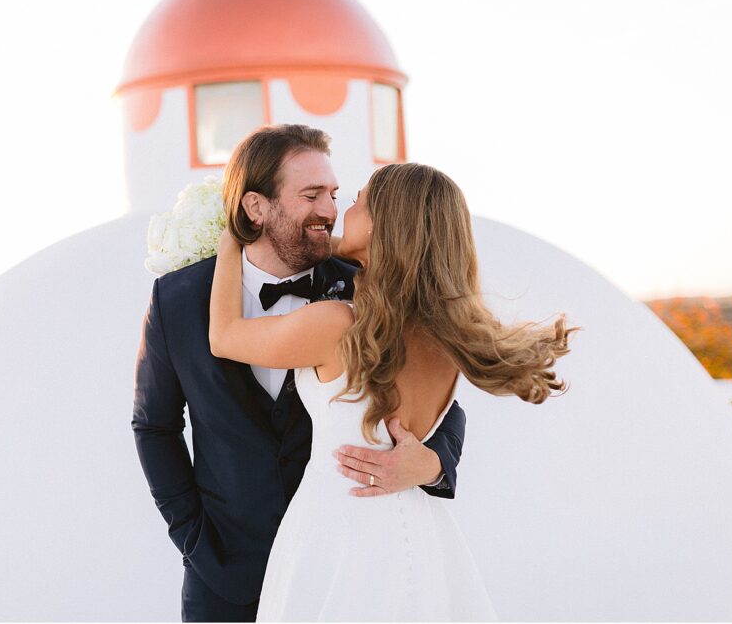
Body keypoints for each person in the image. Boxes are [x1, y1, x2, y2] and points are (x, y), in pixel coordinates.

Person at [208, 161, 575, 621]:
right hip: (418, 532)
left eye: (360, 199)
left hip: (338, 533)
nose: (345, 207)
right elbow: (369, 251)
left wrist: (233, 237)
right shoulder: (448, 335)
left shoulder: (338, 326)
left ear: (386, 223)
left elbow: (224, 337)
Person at [133, 125, 468, 622]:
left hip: (347, 567)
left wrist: (433, 467)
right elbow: (154, 426)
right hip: (223, 578)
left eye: (334, 195)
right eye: (311, 195)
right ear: (256, 207)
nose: (330, 210)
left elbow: (444, 408)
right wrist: (193, 537)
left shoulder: (369, 290)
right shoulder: (178, 299)